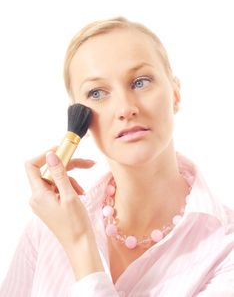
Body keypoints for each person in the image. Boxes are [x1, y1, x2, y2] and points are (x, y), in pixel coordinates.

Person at [1, 17, 234, 297]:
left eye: (140, 82)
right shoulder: (46, 230)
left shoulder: (226, 246)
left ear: (175, 93)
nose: (125, 108)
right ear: (81, 118)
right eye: (97, 93)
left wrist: (79, 245)